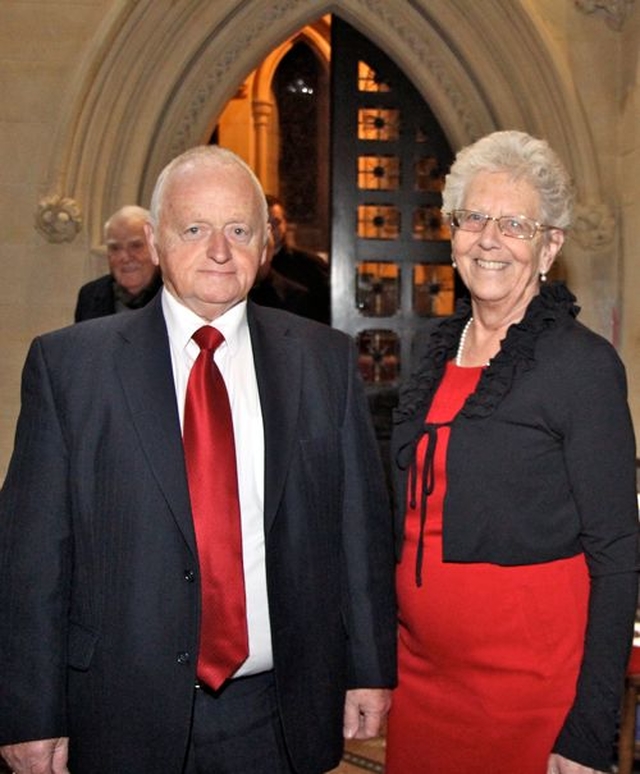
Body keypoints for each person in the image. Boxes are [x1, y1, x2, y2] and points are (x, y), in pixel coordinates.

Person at [0, 146, 397, 774]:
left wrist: (369, 669)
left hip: (276, 712)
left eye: (239, 229)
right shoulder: (70, 369)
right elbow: (32, 558)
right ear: (156, 242)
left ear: (265, 245)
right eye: (194, 228)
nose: (220, 249)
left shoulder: (322, 361)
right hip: (118, 713)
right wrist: (30, 709)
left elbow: (359, 531)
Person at [386, 130, 639, 774]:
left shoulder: (582, 366)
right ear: (452, 232)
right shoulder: (435, 353)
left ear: (550, 245)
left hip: (533, 700)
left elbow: (617, 557)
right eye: (474, 218)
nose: (489, 238)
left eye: (516, 224)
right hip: (421, 687)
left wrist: (588, 729)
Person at [74, 204, 162, 321]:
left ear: (156, 247)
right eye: (115, 248)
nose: (125, 257)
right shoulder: (91, 295)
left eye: (136, 246)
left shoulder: (178, 293)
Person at [264, 194, 330, 324]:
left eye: (276, 222)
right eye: (266, 222)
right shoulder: (247, 266)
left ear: (285, 223)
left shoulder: (311, 265)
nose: (271, 228)